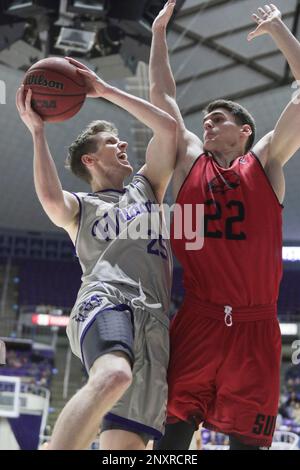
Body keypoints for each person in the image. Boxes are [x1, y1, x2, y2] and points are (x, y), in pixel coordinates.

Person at [150, 1, 300, 450]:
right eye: (206, 120)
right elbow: (164, 100)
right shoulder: (190, 159)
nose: (208, 124)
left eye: (219, 119)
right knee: (170, 444)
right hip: (198, 319)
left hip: (255, 328)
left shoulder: (268, 160)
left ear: (246, 132)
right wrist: (158, 35)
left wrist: (280, 33)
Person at [16, 57, 177, 450]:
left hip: (155, 323)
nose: (123, 145)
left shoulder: (147, 188)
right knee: (113, 376)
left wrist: (105, 90)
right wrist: (37, 134)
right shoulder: (82, 206)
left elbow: (169, 130)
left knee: (126, 449)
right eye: (111, 142)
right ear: (90, 160)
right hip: (108, 299)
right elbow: (52, 200)